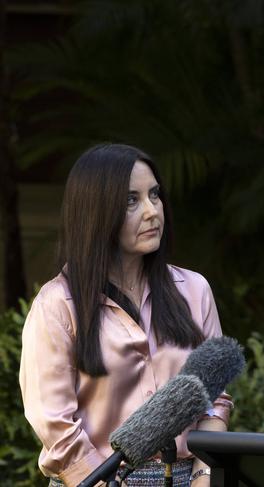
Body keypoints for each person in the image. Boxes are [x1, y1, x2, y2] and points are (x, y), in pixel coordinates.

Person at [19, 144, 232, 486]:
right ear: (96, 212)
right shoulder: (57, 305)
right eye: (131, 200)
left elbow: (215, 398)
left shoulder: (194, 290)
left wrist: (204, 473)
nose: (152, 211)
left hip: (187, 478)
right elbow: (55, 425)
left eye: (155, 195)